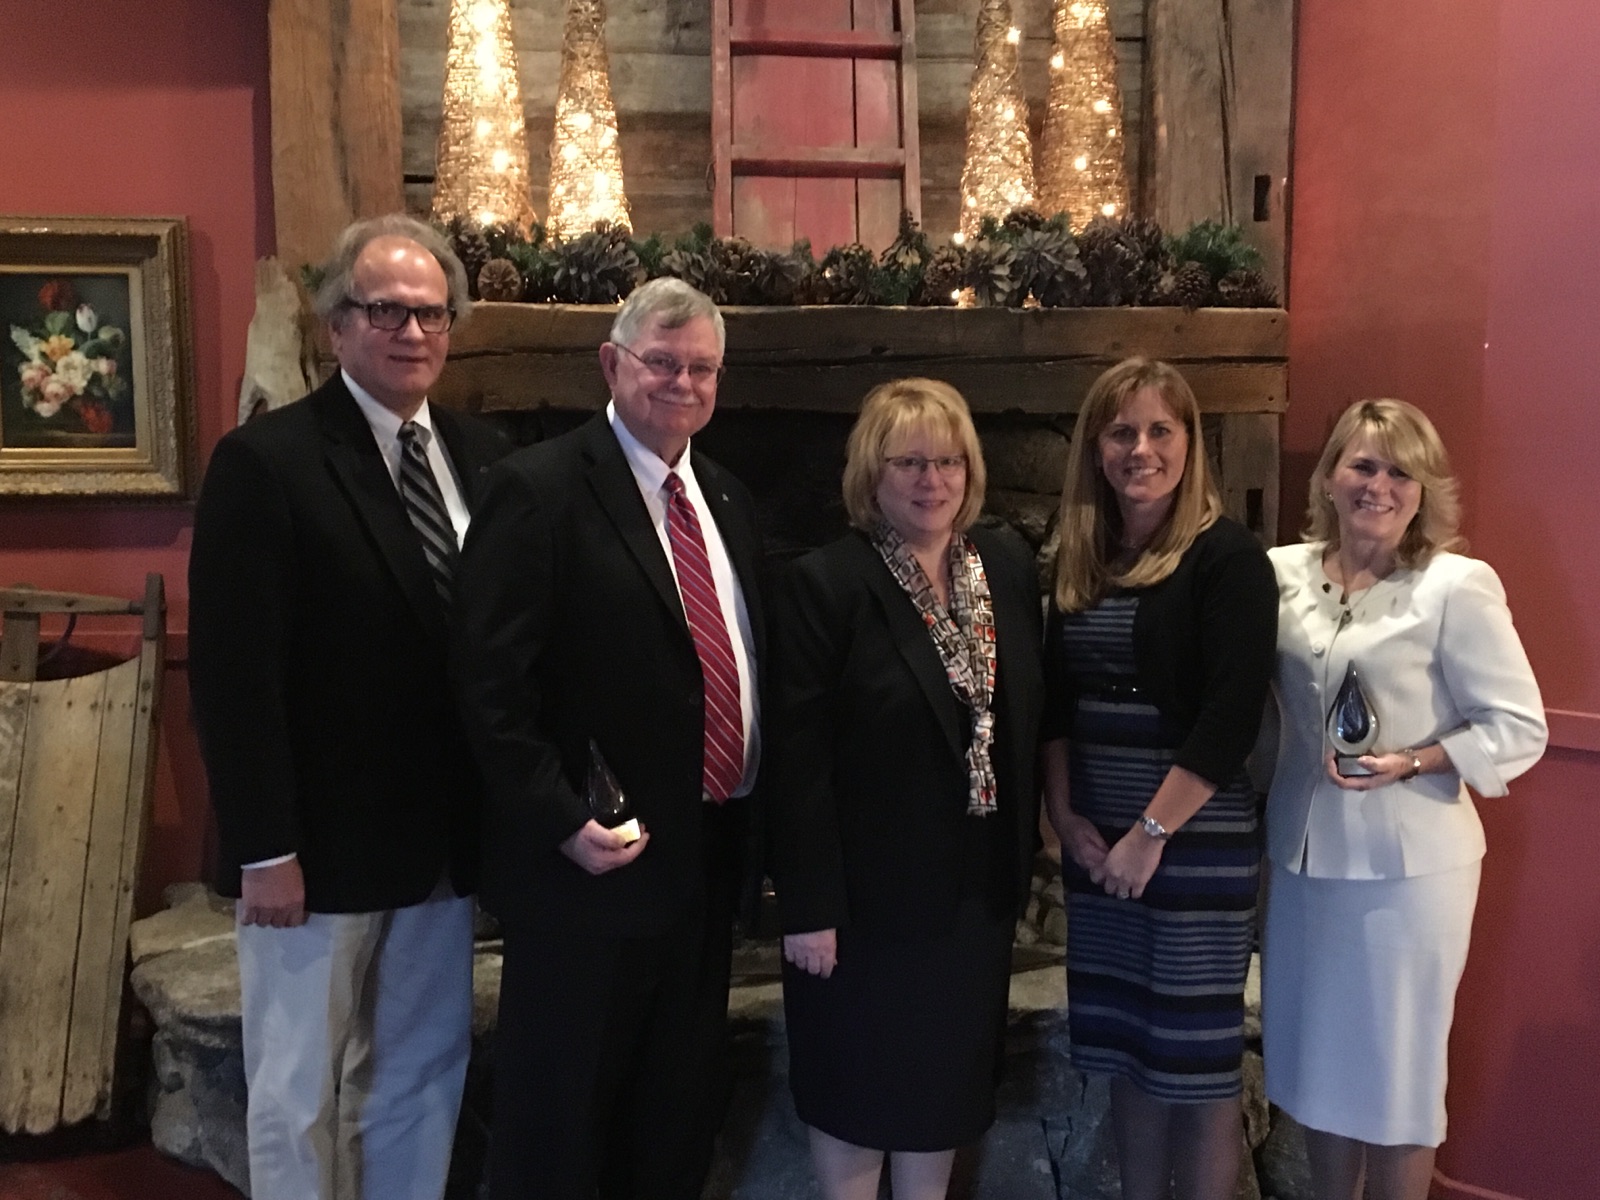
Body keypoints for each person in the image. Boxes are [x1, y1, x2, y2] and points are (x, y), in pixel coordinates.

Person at [188, 213, 510, 1200]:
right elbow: (236, 675)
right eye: (384, 312)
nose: (411, 332)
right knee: (295, 1087)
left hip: (443, 846)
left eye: (430, 313)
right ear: (335, 326)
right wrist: (263, 849)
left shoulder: (481, 454)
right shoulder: (267, 461)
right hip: (311, 854)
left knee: (421, 1070)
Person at [452, 277, 764, 1200]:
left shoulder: (730, 501)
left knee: (672, 1116)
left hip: (707, 859)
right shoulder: (537, 490)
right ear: (611, 364)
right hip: (589, 866)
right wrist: (556, 819)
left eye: (701, 368)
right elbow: (487, 682)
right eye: (660, 363)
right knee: (561, 1123)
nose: (681, 383)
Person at [1260, 399, 1546, 1200]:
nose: (1377, 485)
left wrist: (1415, 759)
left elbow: (1519, 725)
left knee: (1397, 1075)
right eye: (1362, 464)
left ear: (1423, 490)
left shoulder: (1455, 585)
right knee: (1317, 1067)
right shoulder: (1280, 573)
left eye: (1398, 471)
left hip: (1409, 873)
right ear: (1328, 476)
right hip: (1305, 857)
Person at [769, 379, 1045, 1200]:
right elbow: (796, 758)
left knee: (943, 1095)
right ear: (871, 474)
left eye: (949, 461)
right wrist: (809, 905)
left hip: (971, 901)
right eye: (911, 462)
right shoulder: (827, 583)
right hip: (860, 912)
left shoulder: (1004, 566)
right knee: (857, 1093)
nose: (933, 480)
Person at [1040, 357, 1277, 1200]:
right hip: (1099, 838)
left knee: (1199, 1068)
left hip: (1190, 842)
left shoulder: (1227, 558)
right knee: (1125, 1055)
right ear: (1095, 448)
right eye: (1121, 431)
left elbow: (1230, 716)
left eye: (1159, 430)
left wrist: (1150, 835)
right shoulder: (1081, 555)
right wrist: (1067, 819)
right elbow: (1055, 705)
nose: (1140, 448)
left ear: (1190, 442)